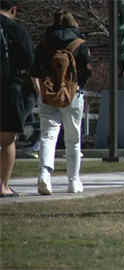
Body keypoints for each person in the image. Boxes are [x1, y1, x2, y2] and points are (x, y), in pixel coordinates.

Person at [31, 10, 92, 195]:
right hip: (72, 94)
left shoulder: (43, 43)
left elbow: (34, 71)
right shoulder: (79, 44)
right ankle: (73, 181)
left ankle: (44, 174)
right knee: (73, 139)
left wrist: (40, 91)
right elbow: (87, 71)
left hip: (48, 94)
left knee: (48, 136)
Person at [0, 0, 33, 197]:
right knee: (7, 140)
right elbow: (29, 60)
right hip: (9, 88)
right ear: (13, 10)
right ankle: (3, 186)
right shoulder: (17, 30)